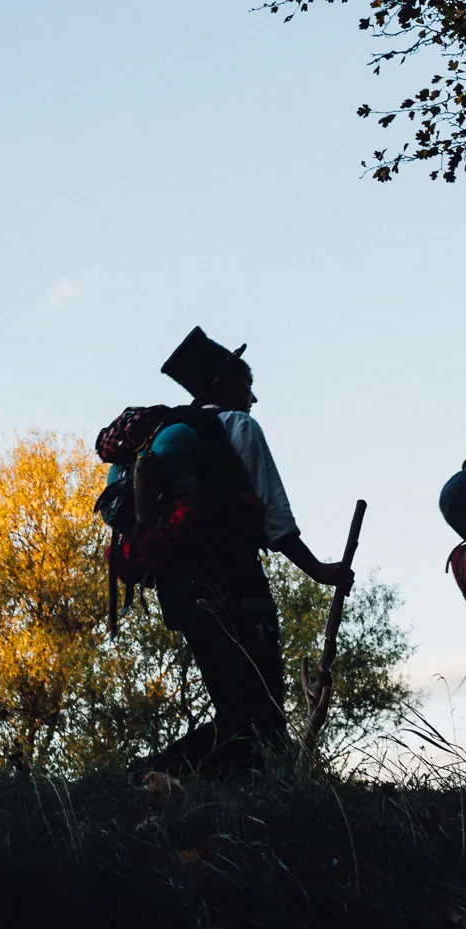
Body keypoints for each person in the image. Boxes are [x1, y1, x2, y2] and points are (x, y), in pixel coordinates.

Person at [140, 328, 351, 775]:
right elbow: (275, 516)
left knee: (235, 707)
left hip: (180, 594)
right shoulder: (238, 426)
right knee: (262, 709)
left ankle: (216, 788)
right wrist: (319, 570)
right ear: (225, 385)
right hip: (234, 583)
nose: (253, 397)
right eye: (247, 384)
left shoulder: (168, 437)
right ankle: (153, 774)